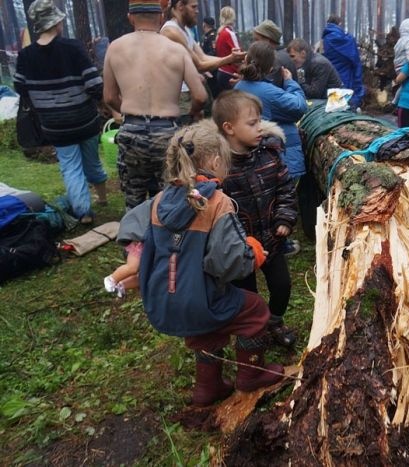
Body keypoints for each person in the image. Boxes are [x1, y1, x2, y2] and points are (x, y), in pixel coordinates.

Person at [118, 120, 284, 406]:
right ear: (216, 161)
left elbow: (132, 230)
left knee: (206, 328)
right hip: (200, 299)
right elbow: (228, 263)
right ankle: (251, 375)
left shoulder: (159, 200)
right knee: (255, 310)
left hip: (165, 300)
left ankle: (207, 389)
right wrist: (252, 253)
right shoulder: (218, 203)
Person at [214, 89, 300, 348]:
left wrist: (284, 218)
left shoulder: (269, 154)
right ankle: (253, 332)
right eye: (252, 123)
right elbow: (217, 210)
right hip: (241, 248)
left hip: (271, 240)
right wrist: (236, 241)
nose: (260, 128)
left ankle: (274, 322)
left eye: (260, 121)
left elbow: (285, 188)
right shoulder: (219, 165)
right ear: (229, 128)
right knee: (246, 294)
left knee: (282, 285)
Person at [103, 0, 207, 209]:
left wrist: (129, 115)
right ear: (161, 17)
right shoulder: (176, 50)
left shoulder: (115, 48)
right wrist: (191, 115)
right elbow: (200, 96)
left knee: (134, 197)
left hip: (132, 131)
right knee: (170, 196)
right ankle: (166, 236)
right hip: (167, 132)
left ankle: (136, 239)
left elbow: (110, 97)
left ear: (130, 17)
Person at [14, 0, 107, 224]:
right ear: (57, 23)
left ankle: (83, 212)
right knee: (92, 161)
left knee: (70, 166)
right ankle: (102, 198)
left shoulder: (25, 56)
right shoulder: (73, 47)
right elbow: (94, 84)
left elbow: (19, 87)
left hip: (54, 124)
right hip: (84, 119)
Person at [161, 0, 245, 122]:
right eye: (193, 7)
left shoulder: (185, 31)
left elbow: (203, 57)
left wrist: (233, 58)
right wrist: (230, 59)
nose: (197, 11)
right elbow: (199, 65)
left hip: (189, 94)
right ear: (180, 6)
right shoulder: (171, 31)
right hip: (179, 96)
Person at [235, 42, 307, 179]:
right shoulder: (269, 92)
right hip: (280, 159)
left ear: (246, 60)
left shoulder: (239, 87)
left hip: (252, 159)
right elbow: (299, 106)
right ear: (270, 68)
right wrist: (290, 82)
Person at [322, 15, 365, 109]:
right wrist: (359, 88)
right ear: (339, 24)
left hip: (331, 79)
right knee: (347, 109)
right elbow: (355, 61)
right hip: (346, 77)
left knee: (335, 110)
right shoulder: (347, 40)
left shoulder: (324, 40)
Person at [392, 18, 409, 105]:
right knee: (408, 86)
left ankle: (395, 102)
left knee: (404, 86)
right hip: (406, 67)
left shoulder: (400, 41)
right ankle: (397, 102)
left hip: (398, 68)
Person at [214, 6, 241, 92]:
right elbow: (239, 55)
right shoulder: (230, 33)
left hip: (221, 72)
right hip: (231, 73)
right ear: (233, 17)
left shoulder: (220, 33)